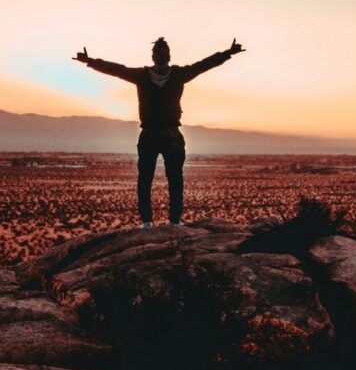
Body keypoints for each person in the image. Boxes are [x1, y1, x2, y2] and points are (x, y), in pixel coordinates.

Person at [74, 37, 244, 227]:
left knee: (163, 179)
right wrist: (90, 61)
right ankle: (157, 221)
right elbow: (117, 69)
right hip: (161, 135)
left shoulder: (158, 75)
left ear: (160, 56)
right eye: (160, 52)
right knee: (159, 180)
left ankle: (165, 221)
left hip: (161, 135)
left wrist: (228, 53)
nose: (162, 55)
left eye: (163, 52)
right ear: (159, 56)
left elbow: (203, 65)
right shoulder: (168, 74)